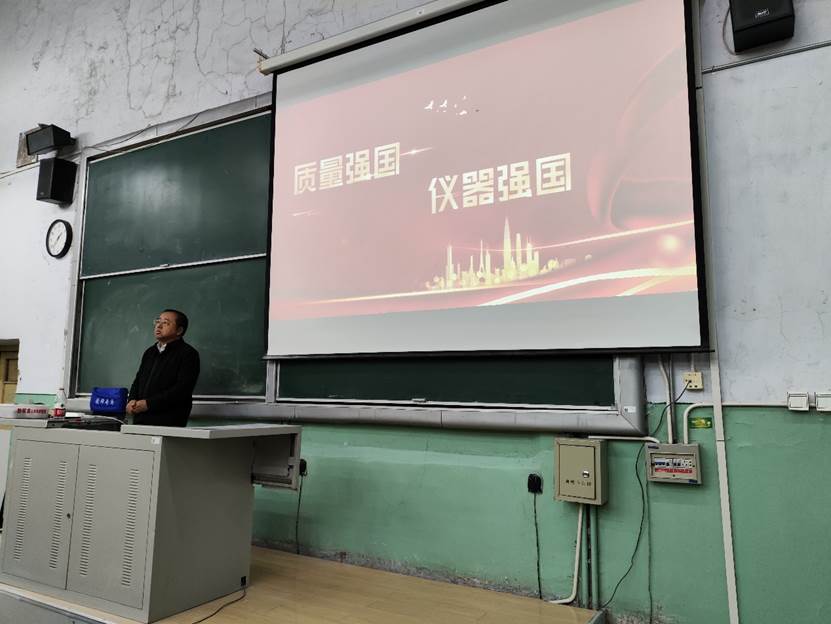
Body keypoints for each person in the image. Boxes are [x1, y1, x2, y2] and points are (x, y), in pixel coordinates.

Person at [127, 309, 200, 427]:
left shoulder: (188, 354)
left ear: (179, 330)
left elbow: (182, 389)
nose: (159, 326)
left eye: (165, 323)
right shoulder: (150, 352)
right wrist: (132, 400)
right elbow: (138, 380)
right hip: (141, 420)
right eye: (157, 321)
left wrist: (149, 404)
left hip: (168, 422)